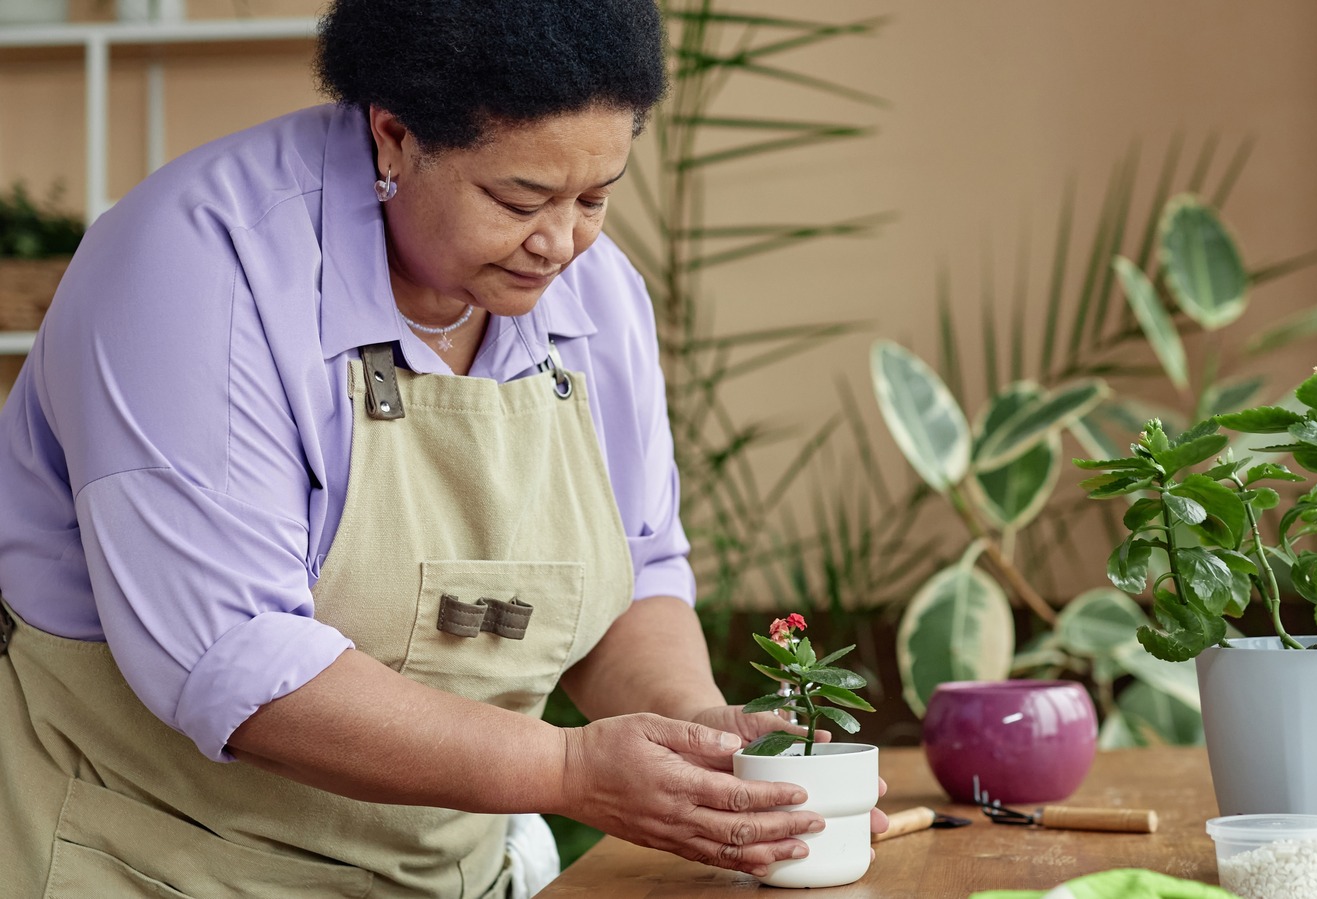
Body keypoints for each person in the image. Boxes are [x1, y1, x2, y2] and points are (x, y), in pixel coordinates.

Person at [0, 1, 885, 896]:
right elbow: (237, 663)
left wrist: (701, 741)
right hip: (153, 866)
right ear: (394, 136)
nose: (561, 243)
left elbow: (634, 573)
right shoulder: (196, 265)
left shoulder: (595, 297)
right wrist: (570, 772)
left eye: (596, 197)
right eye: (518, 198)